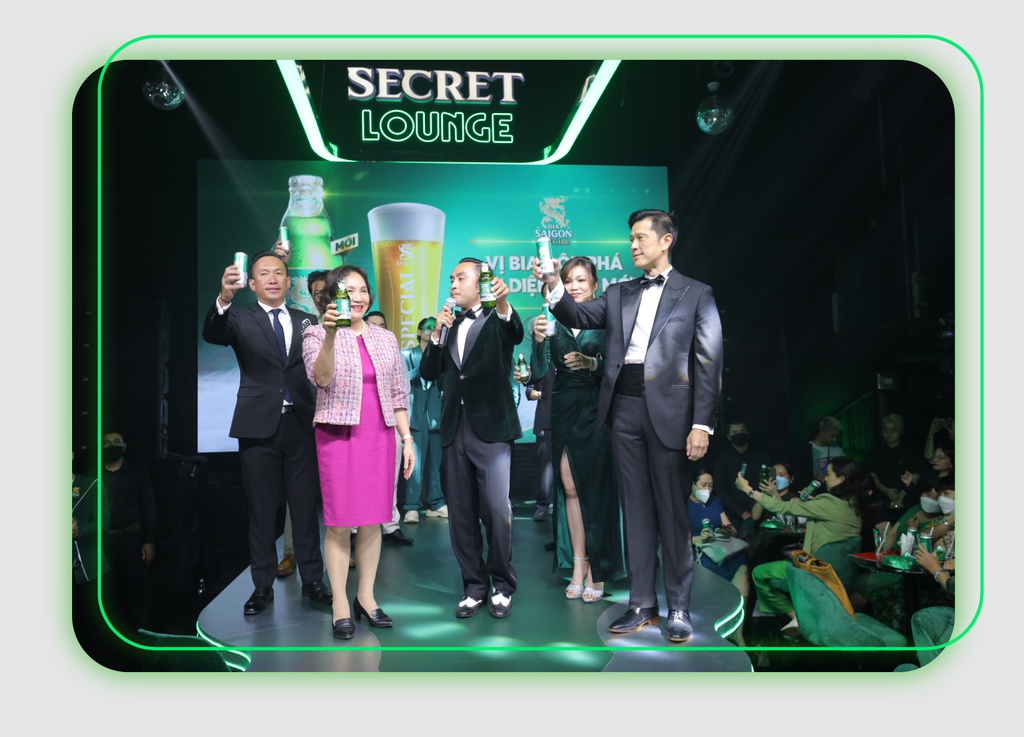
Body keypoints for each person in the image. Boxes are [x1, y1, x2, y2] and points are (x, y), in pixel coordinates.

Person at [533, 208, 724, 643]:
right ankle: (642, 604)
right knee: (635, 511)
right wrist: (552, 282)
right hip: (623, 409)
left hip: (673, 415)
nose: (633, 245)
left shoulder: (696, 293)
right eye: (631, 238)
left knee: (672, 513)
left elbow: (709, 362)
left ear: (666, 240)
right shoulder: (619, 293)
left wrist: (702, 424)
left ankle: (678, 607)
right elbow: (576, 315)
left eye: (641, 238)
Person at [202, 249, 332, 616]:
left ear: (289, 282)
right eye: (264, 274)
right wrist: (224, 298)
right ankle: (262, 586)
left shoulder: (308, 320)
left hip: (302, 424)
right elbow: (212, 333)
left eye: (278, 273)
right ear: (252, 283)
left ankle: (314, 580)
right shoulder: (238, 317)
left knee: (304, 509)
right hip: (258, 426)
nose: (272, 279)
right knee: (260, 510)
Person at [302, 265, 415, 639]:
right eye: (348, 290)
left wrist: (407, 439)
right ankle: (340, 603)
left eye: (363, 290)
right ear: (332, 297)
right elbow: (321, 379)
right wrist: (331, 335)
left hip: (380, 434)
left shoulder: (385, 337)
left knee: (373, 519)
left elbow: (397, 393)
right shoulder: (315, 333)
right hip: (338, 434)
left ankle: (366, 597)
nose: (358, 297)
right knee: (339, 522)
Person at [420, 257, 524, 619]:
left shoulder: (498, 316)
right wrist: (437, 334)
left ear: (481, 283)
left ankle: (502, 583)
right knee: (461, 512)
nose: (453, 284)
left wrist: (503, 304)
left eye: (461, 278)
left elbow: (515, 334)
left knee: (496, 507)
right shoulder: (448, 324)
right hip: (454, 427)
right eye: (451, 278)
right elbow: (428, 371)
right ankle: (474, 586)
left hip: (492, 426)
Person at [530, 256, 626, 603]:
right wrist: (537, 340)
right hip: (563, 407)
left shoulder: (607, 319)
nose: (574, 286)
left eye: (581, 280)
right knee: (569, 487)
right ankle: (578, 565)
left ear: (595, 285)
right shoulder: (552, 318)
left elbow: (619, 368)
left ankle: (598, 569)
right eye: (568, 280)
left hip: (597, 408)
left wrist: (592, 363)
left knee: (596, 490)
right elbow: (538, 371)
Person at [741, 456, 869, 637]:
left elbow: (782, 508)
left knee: (759, 573)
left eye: (829, 474)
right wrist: (813, 505)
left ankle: (797, 617)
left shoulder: (829, 502)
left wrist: (748, 490)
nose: (825, 478)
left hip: (813, 571)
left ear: (841, 478)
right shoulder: (853, 503)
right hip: (838, 574)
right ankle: (801, 616)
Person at [278, 269, 328, 579]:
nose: (322, 296)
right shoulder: (303, 324)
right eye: (317, 292)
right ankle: (290, 551)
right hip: (305, 417)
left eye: (327, 290)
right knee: (297, 490)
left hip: (337, 418)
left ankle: (340, 548)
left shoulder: (351, 324)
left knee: (336, 488)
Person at [96, 430, 158, 632]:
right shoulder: (94, 474)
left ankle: (140, 634)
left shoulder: (137, 472)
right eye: (106, 443)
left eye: (116, 441)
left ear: (124, 446)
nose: (111, 445)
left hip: (132, 539)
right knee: (108, 591)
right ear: (101, 447)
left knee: (136, 589)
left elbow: (148, 507)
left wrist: (149, 540)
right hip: (103, 541)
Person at [364, 309, 415, 545]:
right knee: (360, 479)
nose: (377, 329)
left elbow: (403, 390)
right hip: (362, 425)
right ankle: (354, 528)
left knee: (390, 478)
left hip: (392, 423)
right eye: (372, 324)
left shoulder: (393, 351)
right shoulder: (354, 347)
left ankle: (390, 525)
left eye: (382, 325)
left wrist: (405, 432)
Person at [687, 468, 749, 644]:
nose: (707, 489)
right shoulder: (684, 505)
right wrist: (700, 538)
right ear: (693, 485)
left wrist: (726, 531)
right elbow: (675, 539)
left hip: (723, 550)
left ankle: (738, 631)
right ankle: (714, 631)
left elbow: (732, 529)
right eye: (703, 485)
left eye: (711, 485)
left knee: (743, 572)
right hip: (699, 553)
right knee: (712, 577)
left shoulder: (715, 502)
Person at [401, 316, 447, 524]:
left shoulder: (442, 356)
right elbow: (403, 380)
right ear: (419, 332)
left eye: (433, 328)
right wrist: (424, 366)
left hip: (436, 417)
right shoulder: (407, 354)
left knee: (436, 464)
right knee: (414, 466)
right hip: (415, 417)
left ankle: (436, 503)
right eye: (427, 328)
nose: (430, 330)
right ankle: (412, 506)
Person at [712, 419, 772, 533]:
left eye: (741, 431)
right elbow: (721, 491)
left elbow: (768, 484)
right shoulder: (723, 460)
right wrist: (741, 513)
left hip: (760, 510)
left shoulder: (761, 457)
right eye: (734, 432)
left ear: (747, 433)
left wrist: (757, 508)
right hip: (733, 515)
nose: (738, 434)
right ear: (729, 436)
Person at [866, 413, 922, 521]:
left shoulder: (911, 453)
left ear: (901, 431)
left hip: (906, 501)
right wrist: (885, 490)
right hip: (882, 500)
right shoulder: (877, 452)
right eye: (885, 430)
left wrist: (900, 496)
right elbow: (872, 475)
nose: (889, 433)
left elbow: (916, 476)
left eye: (893, 430)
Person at [519, 352, 554, 523]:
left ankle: (560, 504)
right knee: (544, 468)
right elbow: (529, 391)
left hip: (566, 420)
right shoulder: (539, 363)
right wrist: (544, 395)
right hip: (543, 421)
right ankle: (543, 505)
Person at [809, 415, 845, 481]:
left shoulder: (838, 450)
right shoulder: (808, 449)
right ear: (822, 431)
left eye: (836, 436)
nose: (834, 439)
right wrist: (814, 477)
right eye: (832, 435)